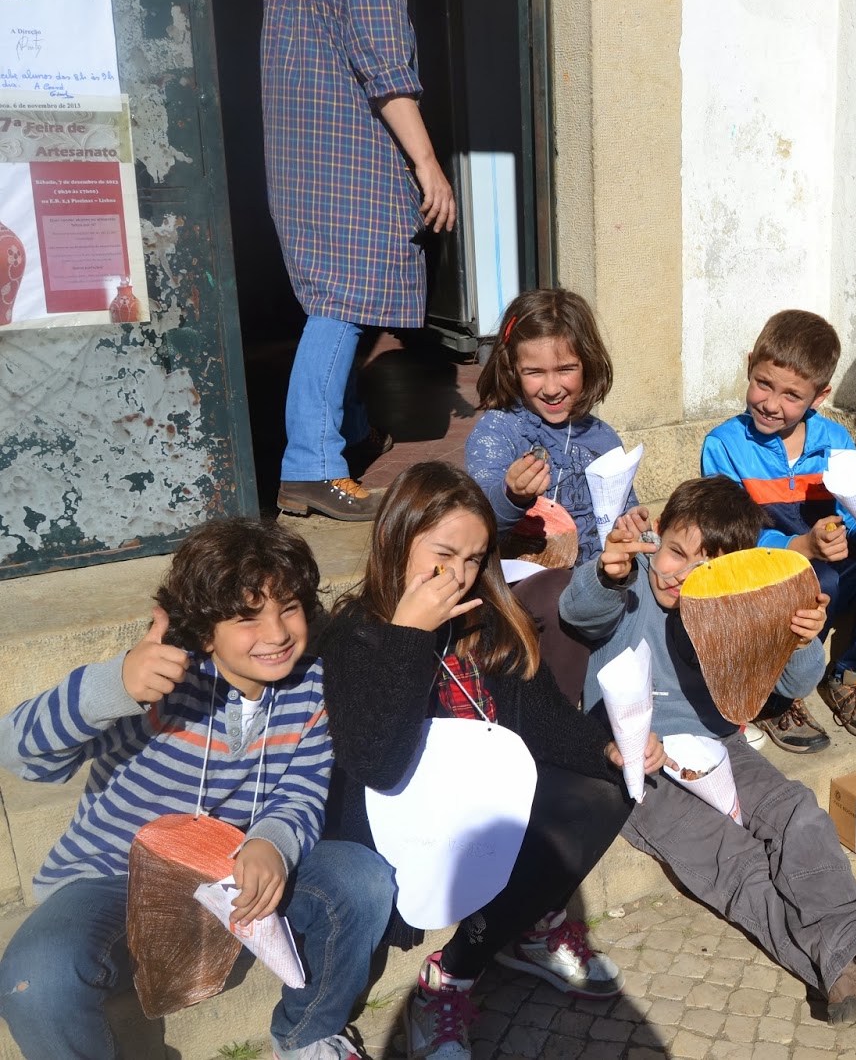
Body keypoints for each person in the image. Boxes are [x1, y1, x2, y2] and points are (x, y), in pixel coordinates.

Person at [559, 476, 856, 1030]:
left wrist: (799, 639)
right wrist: (606, 573)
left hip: (718, 746)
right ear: (658, 538)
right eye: (675, 552)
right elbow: (579, 613)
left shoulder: (734, 607)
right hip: (629, 762)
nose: (679, 574)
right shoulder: (630, 584)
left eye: (704, 568)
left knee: (798, 813)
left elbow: (794, 685)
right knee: (737, 861)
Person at [0, 519, 390, 1060]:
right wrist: (113, 686)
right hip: (115, 876)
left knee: (362, 879)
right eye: (246, 617)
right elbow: (20, 754)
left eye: (289, 608)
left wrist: (272, 842)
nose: (277, 633)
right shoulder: (162, 683)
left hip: (233, 878)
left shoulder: (312, 689)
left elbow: (301, 791)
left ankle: (307, 1035)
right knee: (36, 979)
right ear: (205, 631)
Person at [318, 462, 634, 1060]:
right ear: (396, 541)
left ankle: (455, 973)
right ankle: (524, 922)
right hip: (404, 824)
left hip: (483, 804)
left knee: (612, 783)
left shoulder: (486, 620)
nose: (459, 575)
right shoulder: (355, 633)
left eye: (474, 558)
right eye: (443, 555)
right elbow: (377, 764)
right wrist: (409, 637)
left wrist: (608, 748)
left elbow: (544, 720)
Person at [265, 0, 456, 522]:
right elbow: (386, 70)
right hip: (347, 155)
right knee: (340, 305)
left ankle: (348, 431)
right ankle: (311, 465)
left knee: (340, 296)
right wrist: (427, 163)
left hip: (305, 153)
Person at [702, 310, 856, 749]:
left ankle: (853, 675)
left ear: (819, 397)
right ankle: (777, 694)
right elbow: (728, 535)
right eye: (763, 384)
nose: (771, 403)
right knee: (819, 578)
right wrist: (798, 545)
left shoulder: (834, 441)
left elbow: (855, 514)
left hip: (825, 564)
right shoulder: (724, 445)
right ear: (749, 366)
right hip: (762, 575)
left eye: (792, 395)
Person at [465, 288, 637, 565]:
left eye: (565, 369)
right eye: (534, 372)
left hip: (596, 580)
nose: (552, 388)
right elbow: (475, 525)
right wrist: (512, 495)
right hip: (521, 584)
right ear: (511, 368)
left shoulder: (604, 439)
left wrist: (633, 526)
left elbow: (622, 514)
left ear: (588, 364)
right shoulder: (497, 433)